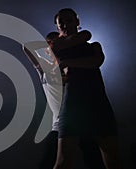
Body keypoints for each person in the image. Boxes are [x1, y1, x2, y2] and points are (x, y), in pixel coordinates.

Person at [23, 31, 106, 169]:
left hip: (82, 123)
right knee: (50, 162)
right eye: (52, 44)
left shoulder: (73, 66)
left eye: (59, 43)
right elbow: (26, 47)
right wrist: (50, 43)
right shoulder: (46, 68)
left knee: (95, 161)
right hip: (60, 124)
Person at [51, 8, 122, 169]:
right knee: (63, 161)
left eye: (68, 20)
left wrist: (68, 63)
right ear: (57, 27)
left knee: (114, 161)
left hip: (97, 103)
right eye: (60, 21)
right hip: (73, 105)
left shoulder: (94, 46)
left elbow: (95, 62)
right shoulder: (57, 46)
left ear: (77, 21)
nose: (64, 24)